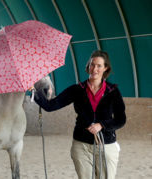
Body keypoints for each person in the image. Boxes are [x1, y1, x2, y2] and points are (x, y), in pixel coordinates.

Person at [32, 50, 126, 179]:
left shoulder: (113, 91)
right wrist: (34, 91)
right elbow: (50, 106)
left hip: (107, 146)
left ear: (105, 68)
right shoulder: (77, 90)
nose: (94, 69)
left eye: (99, 66)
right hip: (81, 146)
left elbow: (121, 119)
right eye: (92, 64)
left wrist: (102, 125)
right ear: (88, 66)